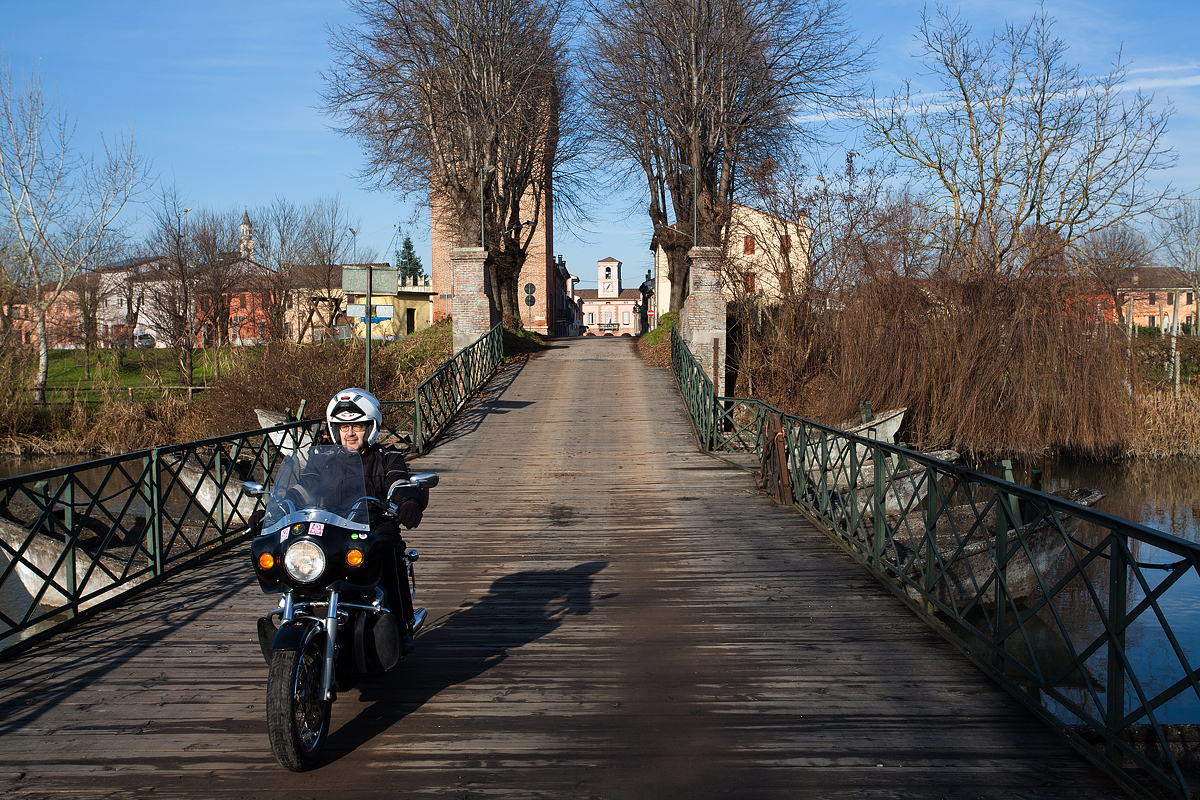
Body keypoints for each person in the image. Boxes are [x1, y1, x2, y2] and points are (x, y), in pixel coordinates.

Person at [325, 387, 426, 654]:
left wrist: (408, 501)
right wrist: (271, 508)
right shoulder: (324, 463)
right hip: (331, 530)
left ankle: (403, 624)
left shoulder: (387, 459)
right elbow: (301, 488)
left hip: (374, 527)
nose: (350, 433)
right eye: (343, 427)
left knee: (390, 551)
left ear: (370, 428)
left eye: (357, 426)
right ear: (335, 430)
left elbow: (399, 483)